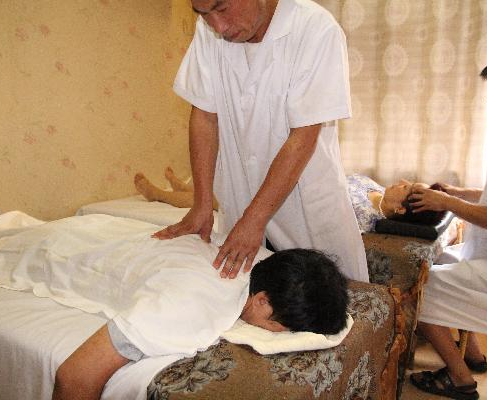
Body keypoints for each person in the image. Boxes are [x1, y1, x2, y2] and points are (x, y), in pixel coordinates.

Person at [0, 202, 350, 400]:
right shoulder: (191, 304)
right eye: (280, 327)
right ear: (260, 302)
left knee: (21, 229)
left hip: (101, 233)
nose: (278, 333)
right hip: (64, 251)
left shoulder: (257, 257)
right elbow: (74, 376)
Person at [155, 0, 368, 282]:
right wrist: (202, 204)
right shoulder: (209, 32)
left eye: (222, 9)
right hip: (240, 197)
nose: (218, 27)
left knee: (327, 296)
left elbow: (302, 136)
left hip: (305, 208)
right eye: (204, 14)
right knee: (247, 294)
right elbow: (205, 116)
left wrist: (254, 220)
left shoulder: (316, 29)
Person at [408, 46, 487, 400]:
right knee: (435, 261)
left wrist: (445, 202)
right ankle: (474, 355)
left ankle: (460, 379)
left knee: (418, 288)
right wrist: (457, 192)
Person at [134, 169, 444, 233]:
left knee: (219, 199)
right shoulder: (372, 187)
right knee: (227, 184)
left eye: (407, 188)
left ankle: (159, 194)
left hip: (286, 206)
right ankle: (181, 187)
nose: (403, 181)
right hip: (295, 185)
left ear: (399, 208)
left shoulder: (362, 218)